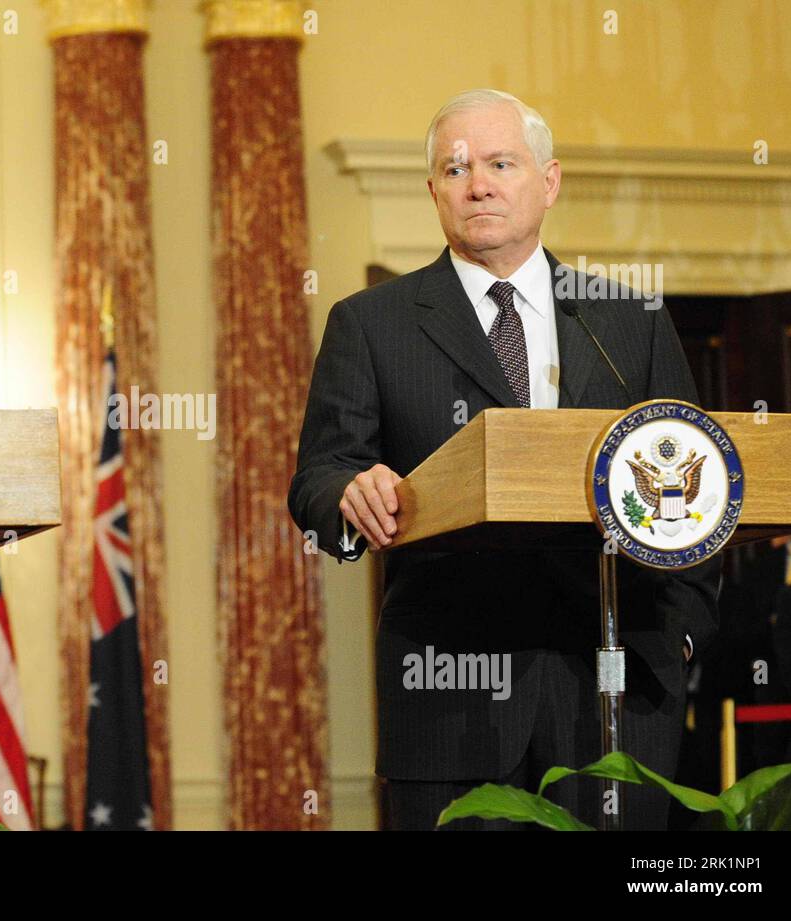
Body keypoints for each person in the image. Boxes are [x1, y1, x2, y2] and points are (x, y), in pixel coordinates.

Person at [288, 89, 722, 830]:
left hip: (614, 690)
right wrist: (350, 494)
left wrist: (680, 633)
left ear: (547, 182)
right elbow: (319, 477)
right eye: (456, 169)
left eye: (499, 163)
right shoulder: (371, 323)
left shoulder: (629, 321)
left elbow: (699, 472)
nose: (478, 183)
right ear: (434, 192)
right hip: (449, 693)